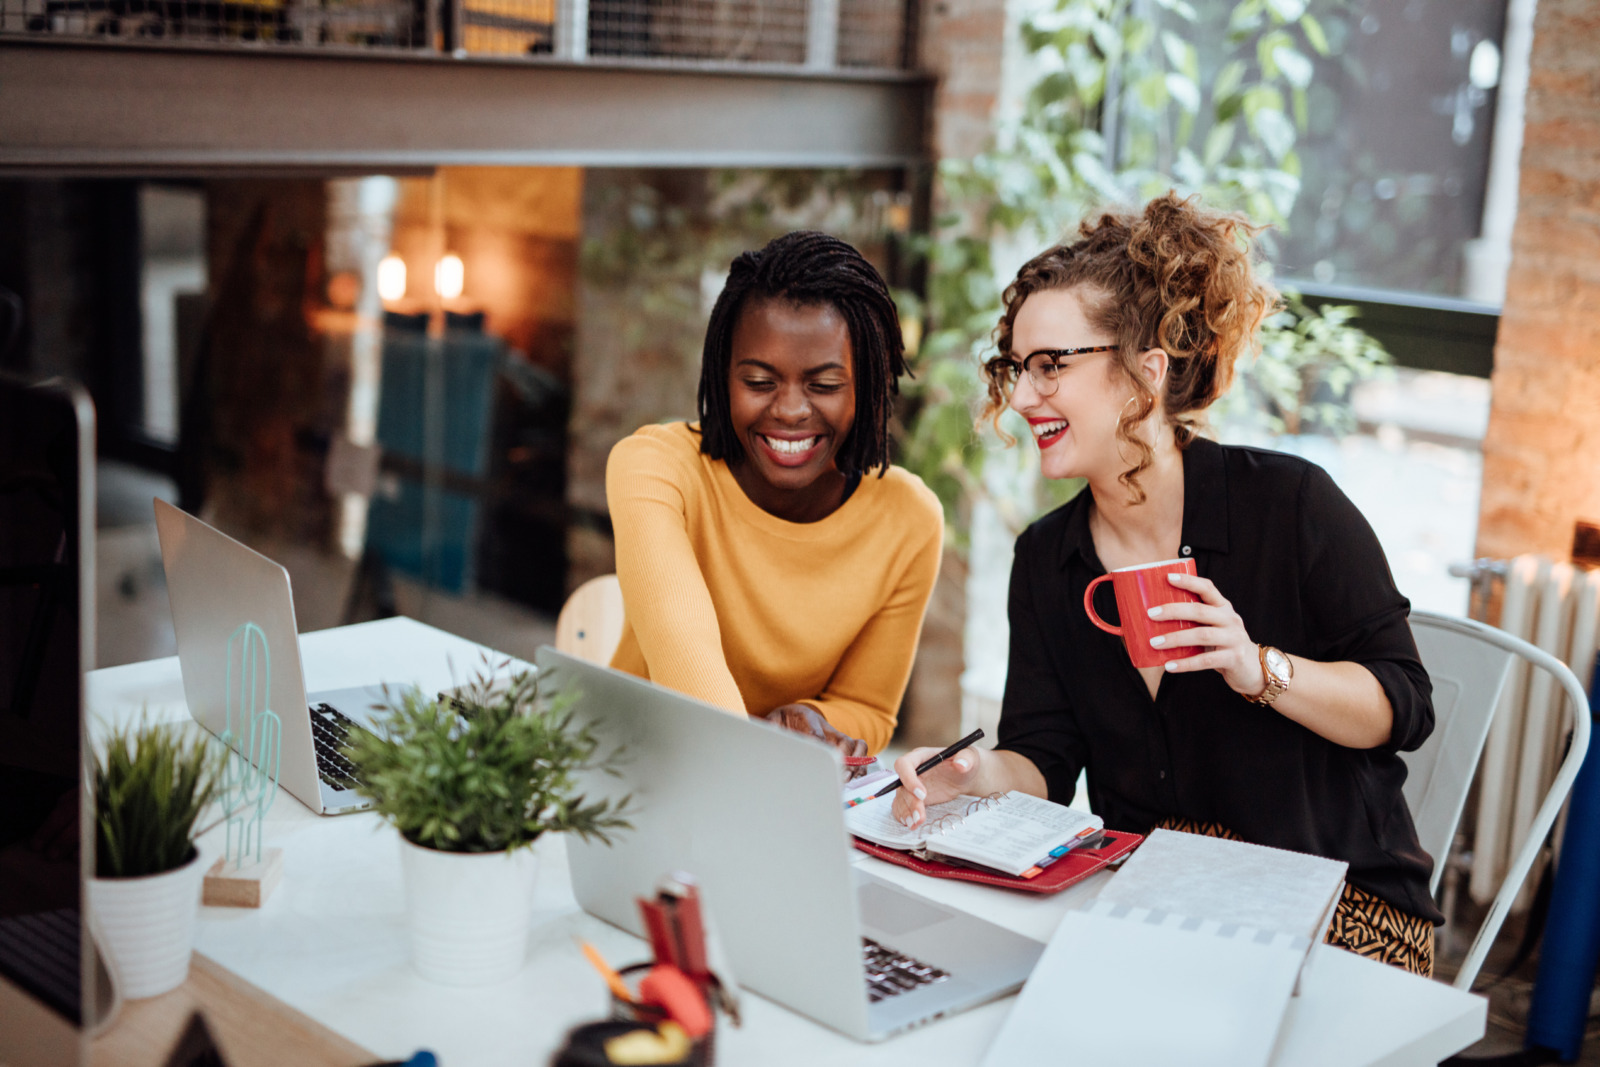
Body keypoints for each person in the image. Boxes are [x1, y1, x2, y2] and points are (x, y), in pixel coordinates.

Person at [891, 194, 1442, 976]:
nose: (1021, 396)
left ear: (1145, 373)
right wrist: (972, 778)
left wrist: (1258, 668)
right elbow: (1046, 762)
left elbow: (1404, 708)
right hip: (1162, 897)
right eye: (1018, 368)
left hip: (1339, 902)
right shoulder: (1048, 558)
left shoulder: (1289, 505)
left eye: (1051, 365)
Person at [606, 230, 943, 760]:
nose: (789, 411)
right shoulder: (655, 468)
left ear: (870, 386)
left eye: (825, 385)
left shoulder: (908, 519)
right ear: (722, 377)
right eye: (759, 381)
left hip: (775, 787)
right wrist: (764, 748)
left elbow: (868, 708)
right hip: (636, 768)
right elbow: (685, 662)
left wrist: (817, 720)